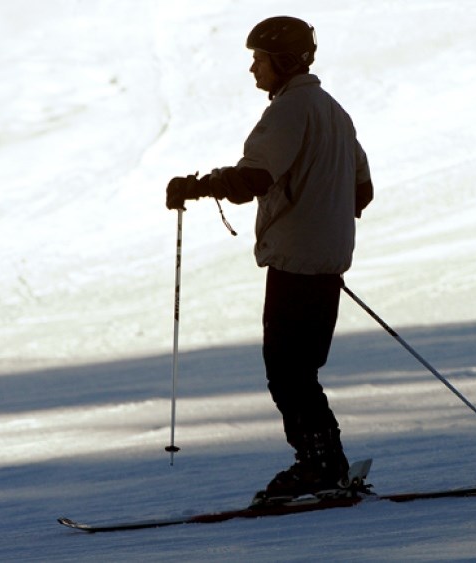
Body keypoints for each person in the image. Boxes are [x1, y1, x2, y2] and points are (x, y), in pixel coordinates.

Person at [165, 15, 373, 504]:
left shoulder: (290, 110)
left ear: (283, 61)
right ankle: (326, 462)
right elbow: (361, 189)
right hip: (326, 257)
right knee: (300, 369)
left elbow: (252, 179)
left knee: (287, 370)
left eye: (258, 58)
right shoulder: (333, 111)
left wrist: (195, 187)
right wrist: (323, 215)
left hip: (298, 259)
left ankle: (318, 466)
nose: (253, 68)